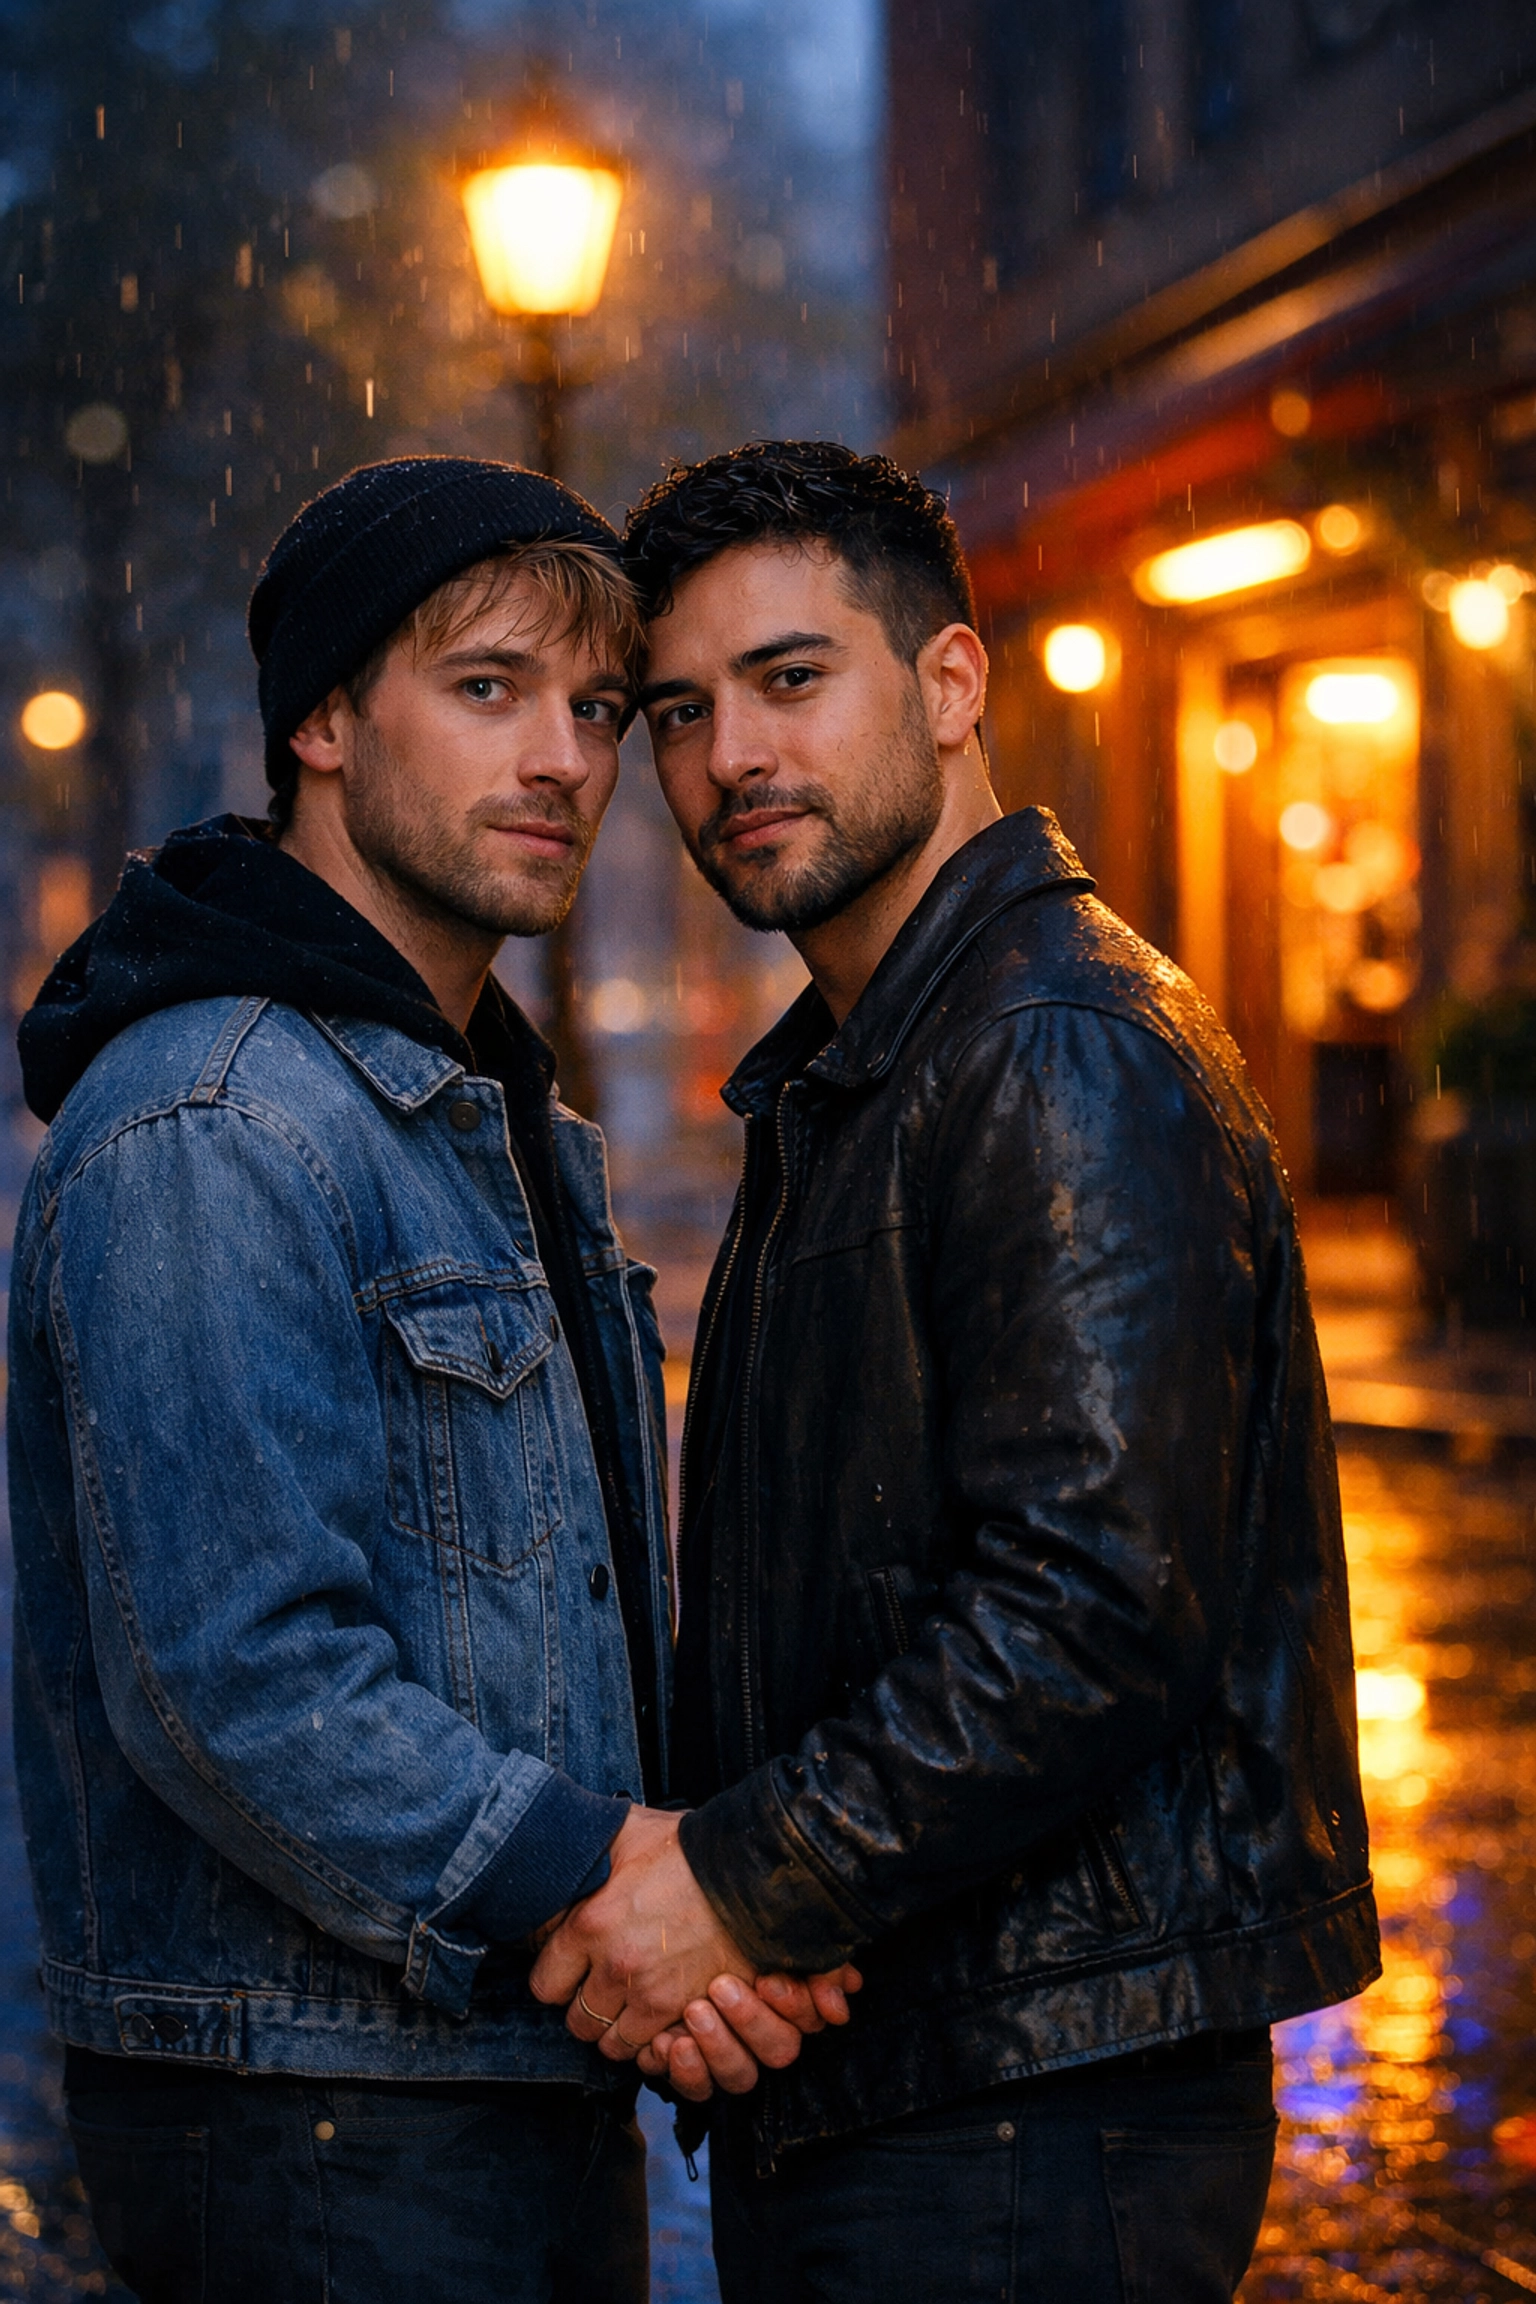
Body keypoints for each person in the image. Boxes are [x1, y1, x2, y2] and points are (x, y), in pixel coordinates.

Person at [527, 441, 1381, 2299]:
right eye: (680, 709)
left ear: (950, 681)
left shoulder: (1051, 1046)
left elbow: (1089, 1611)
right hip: (914, 2072)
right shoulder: (877, 1070)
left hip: (1028, 2107)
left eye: (790, 677)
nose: (731, 756)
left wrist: (740, 1883)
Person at [8, 455, 839, 2304]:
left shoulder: (475, 1112)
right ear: (320, 720)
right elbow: (236, 1674)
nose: (562, 757)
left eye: (597, 708)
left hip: (481, 2076)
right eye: (487, 691)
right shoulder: (216, 1120)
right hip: (318, 2117)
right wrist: (614, 1885)